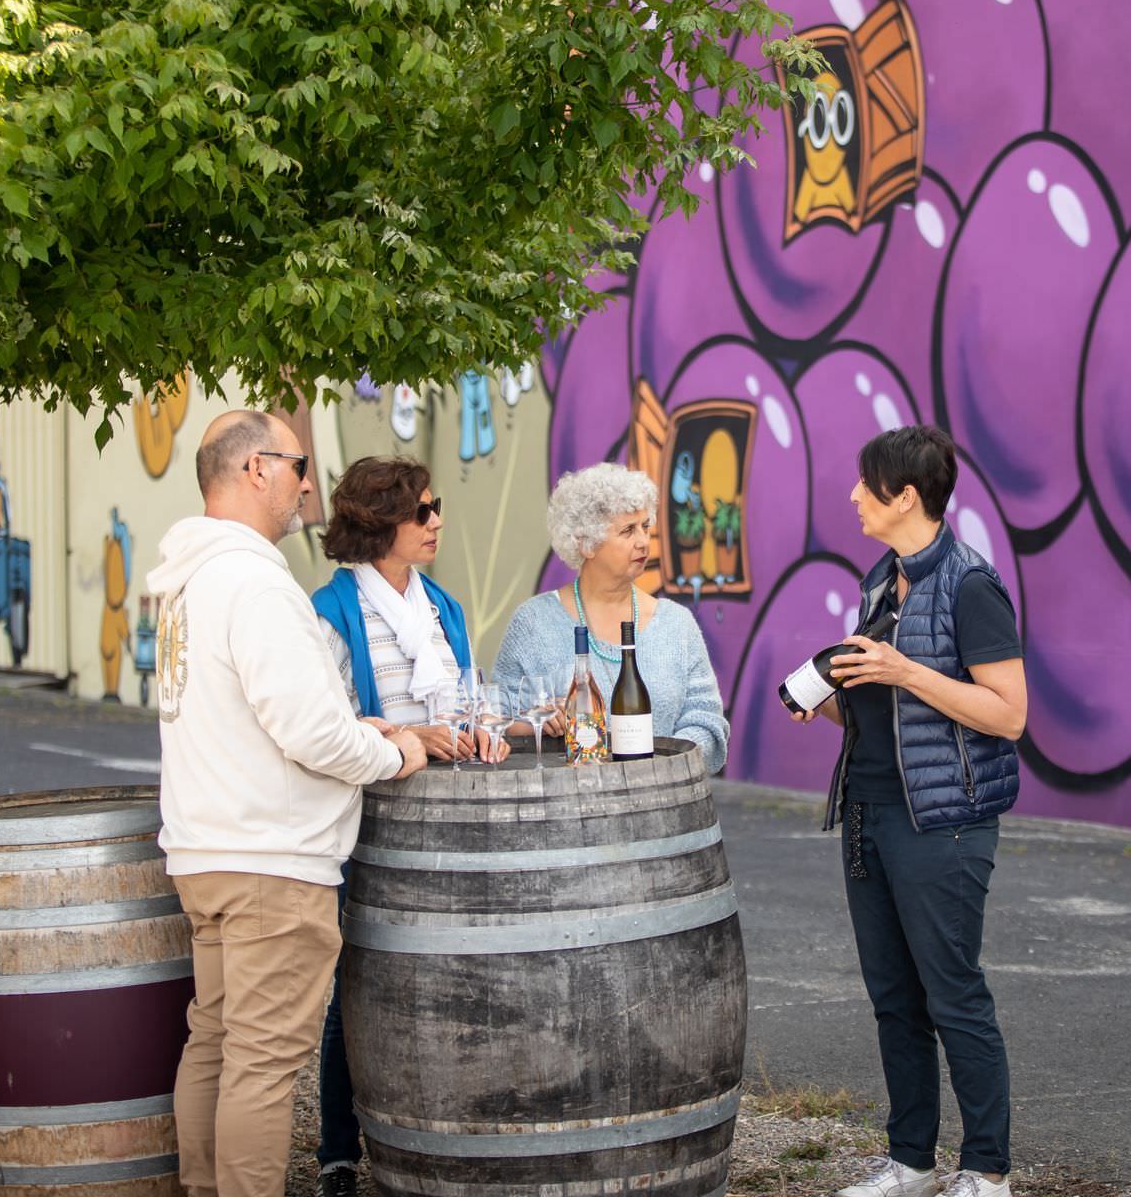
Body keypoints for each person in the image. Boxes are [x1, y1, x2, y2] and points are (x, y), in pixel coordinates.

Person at [147, 410, 427, 1197]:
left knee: (215, 1046)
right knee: (264, 1067)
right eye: (298, 464)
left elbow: (253, 711)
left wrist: (348, 724)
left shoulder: (189, 579)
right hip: (274, 861)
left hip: (208, 852)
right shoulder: (255, 582)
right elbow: (311, 735)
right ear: (253, 470)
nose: (308, 481)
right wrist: (392, 750)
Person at [792, 425, 1027, 1197]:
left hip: (944, 823)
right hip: (869, 813)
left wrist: (902, 668)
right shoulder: (881, 579)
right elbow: (893, 711)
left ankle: (986, 1171)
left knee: (953, 995)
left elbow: (1007, 715)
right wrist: (829, 703)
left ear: (907, 496)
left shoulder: (970, 585)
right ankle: (912, 1161)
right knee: (894, 998)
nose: (855, 496)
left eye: (867, 485)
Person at [306, 455, 504, 1196]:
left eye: (436, 506)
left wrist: (482, 732)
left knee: (446, 979)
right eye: (422, 510)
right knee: (357, 987)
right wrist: (404, 737)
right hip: (368, 820)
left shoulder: (440, 605)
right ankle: (338, 1151)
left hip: (444, 824)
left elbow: (466, 696)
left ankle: (439, 1136)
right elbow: (324, 721)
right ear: (379, 521)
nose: (437, 521)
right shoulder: (329, 612)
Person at [494, 462, 728, 772]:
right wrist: (533, 721)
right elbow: (497, 721)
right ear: (585, 543)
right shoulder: (533, 623)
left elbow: (708, 722)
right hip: (566, 810)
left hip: (668, 807)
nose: (644, 541)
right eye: (628, 530)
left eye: (645, 526)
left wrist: (662, 767)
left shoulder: (677, 624)